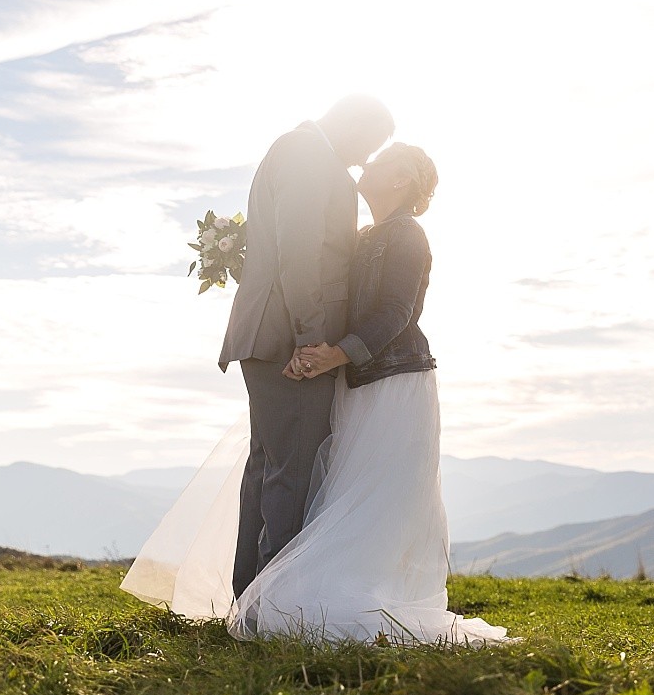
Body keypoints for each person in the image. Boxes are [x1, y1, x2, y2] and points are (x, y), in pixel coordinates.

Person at [121, 143, 510, 646]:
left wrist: (335, 354)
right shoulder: (367, 234)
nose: (365, 164)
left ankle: (357, 597)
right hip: (355, 380)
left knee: (375, 495)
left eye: (380, 160)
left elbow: (396, 312)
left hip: (395, 381)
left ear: (401, 180)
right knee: (338, 490)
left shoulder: (407, 237)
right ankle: (302, 591)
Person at [216, 95, 394, 599]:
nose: (364, 160)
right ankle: (273, 606)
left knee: (270, 467)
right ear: (352, 124)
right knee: (290, 472)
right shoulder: (308, 154)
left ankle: (249, 597)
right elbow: (300, 252)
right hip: (288, 339)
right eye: (369, 145)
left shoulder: (299, 151)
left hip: (271, 334)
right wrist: (310, 339)